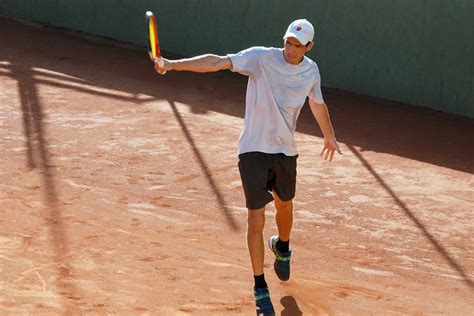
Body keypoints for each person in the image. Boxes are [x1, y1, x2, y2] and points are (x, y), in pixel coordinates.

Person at [151, 18, 341, 316]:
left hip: (285, 153)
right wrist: (172, 65)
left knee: (285, 207)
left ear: (309, 46)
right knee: (256, 220)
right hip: (252, 151)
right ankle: (259, 287)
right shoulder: (260, 58)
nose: (290, 49)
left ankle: (283, 246)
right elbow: (217, 63)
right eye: (287, 42)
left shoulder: (311, 71)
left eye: (297, 45)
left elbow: (317, 103)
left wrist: (329, 134)